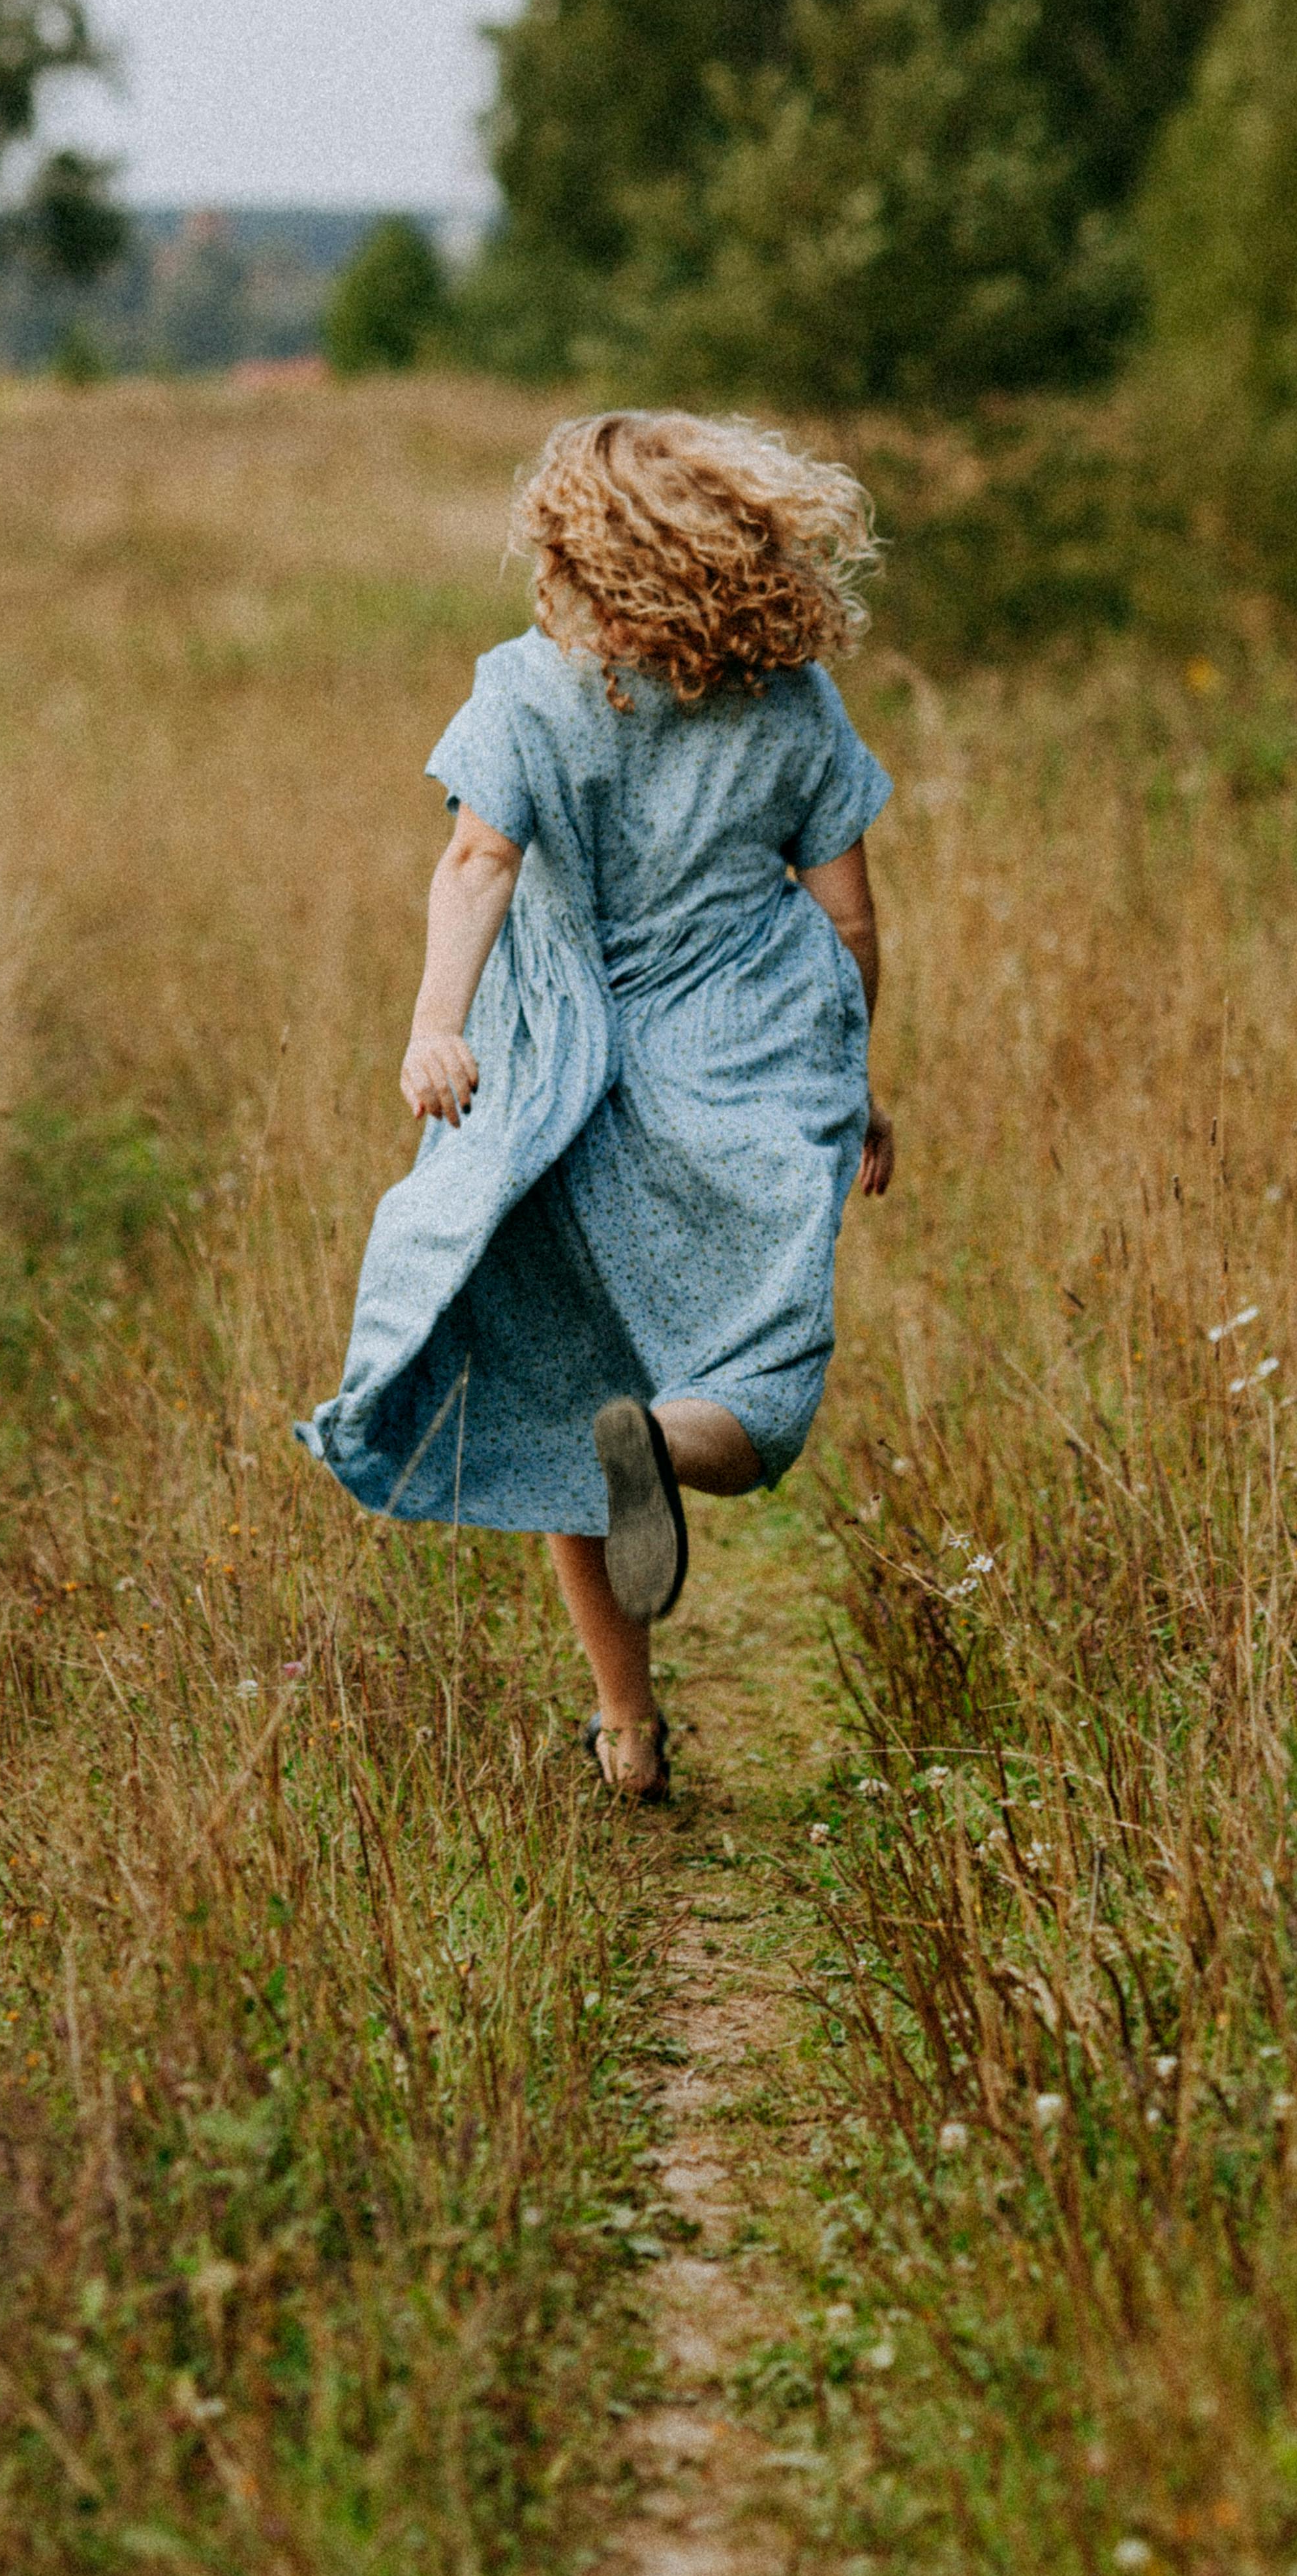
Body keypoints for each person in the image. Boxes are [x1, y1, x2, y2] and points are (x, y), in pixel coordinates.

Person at [297, 409, 894, 1799]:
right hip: (748, 1069)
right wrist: (851, 1084)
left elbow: (476, 862)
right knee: (760, 1383)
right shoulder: (795, 700)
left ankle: (626, 1731)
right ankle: (670, 1446)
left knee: (579, 1394)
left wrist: (439, 1026)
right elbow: (852, 922)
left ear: (573, 550)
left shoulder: (523, 688)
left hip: (561, 1087)